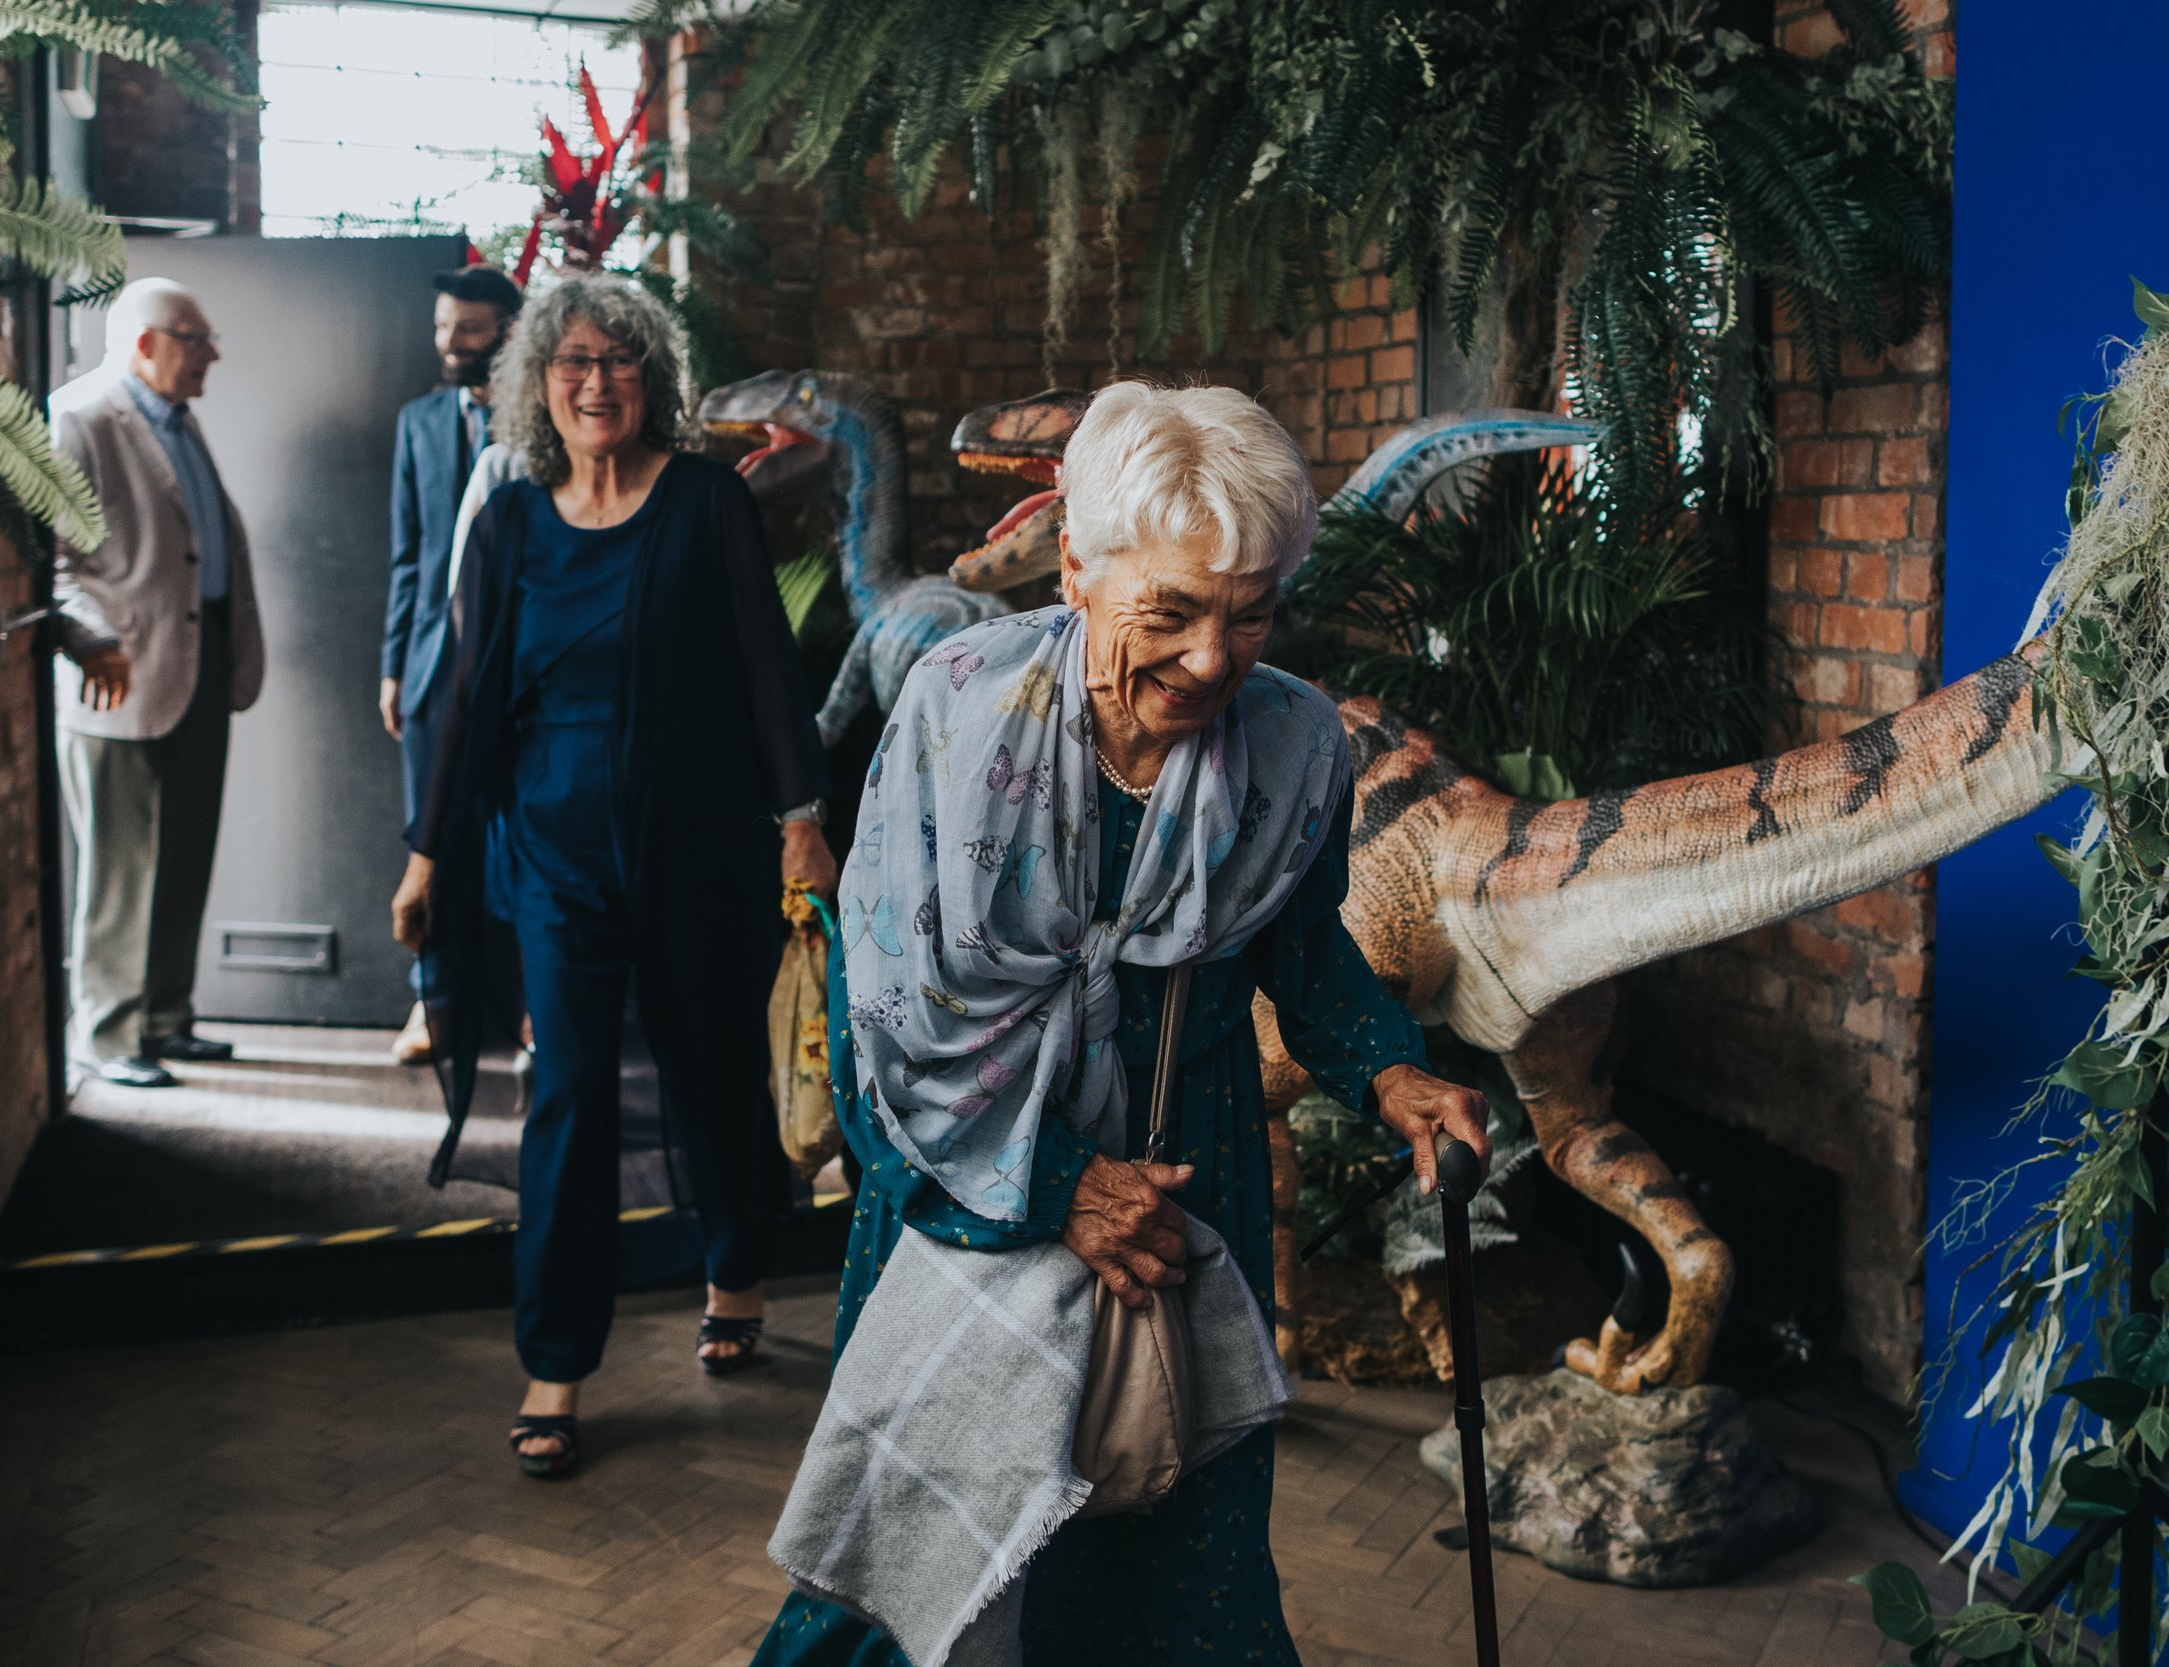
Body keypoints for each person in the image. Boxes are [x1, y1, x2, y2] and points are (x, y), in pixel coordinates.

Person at [751, 383, 1492, 1666]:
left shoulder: (1296, 740)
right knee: (923, 1549)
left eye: (1250, 612)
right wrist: (1056, 1183)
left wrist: (1391, 1071)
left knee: (1175, 1556)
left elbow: (1304, 945)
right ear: (1079, 568)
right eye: (1172, 611)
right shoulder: (954, 704)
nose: (1213, 657)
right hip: (962, 1174)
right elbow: (887, 1006)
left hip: (1183, 1178)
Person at [389, 274, 836, 1478]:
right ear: (540, 381)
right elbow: (471, 705)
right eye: (575, 360)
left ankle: (736, 1263)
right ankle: (556, 1361)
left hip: (700, 848)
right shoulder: (511, 526)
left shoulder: (704, 504)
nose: (597, 380)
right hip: (554, 857)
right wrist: (429, 850)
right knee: (570, 1098)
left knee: (710, 1074)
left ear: (653, 379)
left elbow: (764, 671)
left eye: (621, 359)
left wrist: (802, 820)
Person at [49, 277, 266, 1090]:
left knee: (184, 851)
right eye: (195, 336)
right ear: (146, 342)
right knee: (121, 865)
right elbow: (55, 560)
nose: (212, 352)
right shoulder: (76, 416)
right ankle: (107, 1034)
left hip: (201, 665)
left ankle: (168, 1017)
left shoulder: (177, 419)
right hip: (123, 672)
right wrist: (91, 640)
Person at [383, 263, 526, 1067]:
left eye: (466, 330)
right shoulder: (417, 422)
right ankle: (433, 1002)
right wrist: (393, 666)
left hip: (520, 662)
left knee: (517, 835)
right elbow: (407, 554)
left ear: (506, 332)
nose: (449, 343)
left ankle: (530, 1006)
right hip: (433, 663)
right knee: (430, 835)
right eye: (443, 328)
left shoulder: (547, 422)